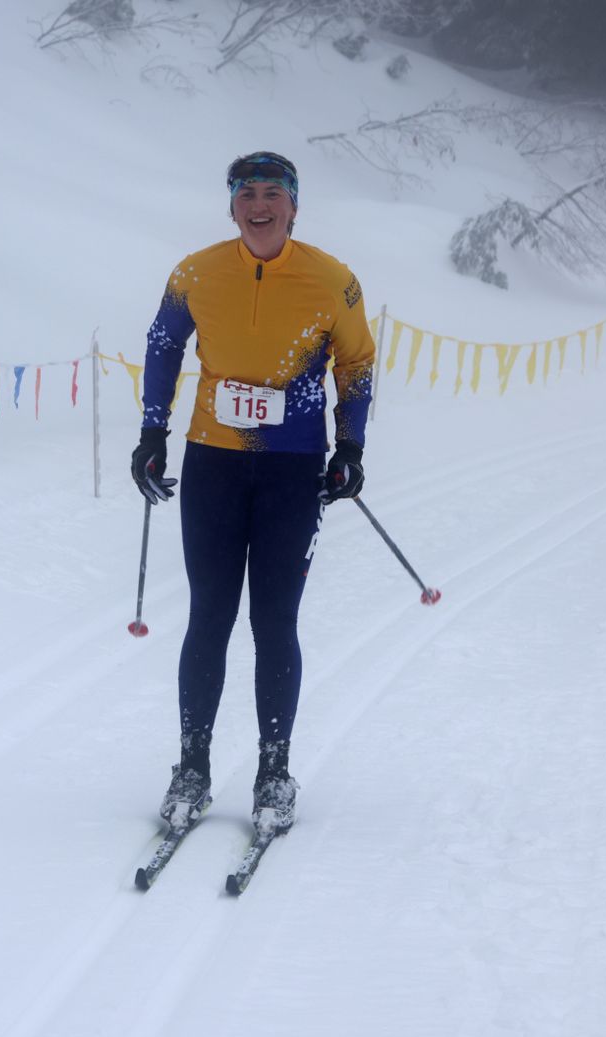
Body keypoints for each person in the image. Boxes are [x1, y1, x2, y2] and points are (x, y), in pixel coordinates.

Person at [131, 152, 376, 834]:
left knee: (274, 620)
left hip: (292, 470)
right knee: (209, 613)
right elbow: (162, 343)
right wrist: (153, 434)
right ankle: (192, 767)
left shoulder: (331, 280)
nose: (260, 204)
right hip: (212, 462)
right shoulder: (197, 273)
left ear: (294, 206)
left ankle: (274, 771)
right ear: (231, 204)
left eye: (274, 193)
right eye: (247, 193)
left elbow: (356, 362)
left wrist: (350, 447)